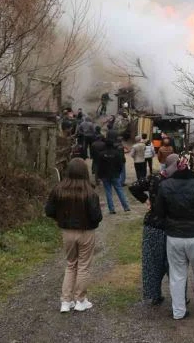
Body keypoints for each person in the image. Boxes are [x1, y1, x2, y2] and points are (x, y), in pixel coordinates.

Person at [154, 154, 194, 320]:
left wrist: (169, 221)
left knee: (177, 275)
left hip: (174, 237)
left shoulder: (165, 185)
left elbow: (159, 211)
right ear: (192, 166)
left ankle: (178, 311)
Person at [45, 158, 103, 313]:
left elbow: (49, 211)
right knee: (83, 266)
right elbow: (97, 216)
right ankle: (80, 300)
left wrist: (61, 220)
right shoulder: (90, 192)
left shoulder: (58, 190)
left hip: (67, 232)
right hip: (86, 232)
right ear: (85, 172)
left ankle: (66, 301)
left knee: (71, 264)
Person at [128, 157, 176, 306]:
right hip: (172, 226)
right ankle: (179, 296)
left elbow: (134, 186)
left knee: (152, 263)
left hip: (153, 225)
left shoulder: (155, 178)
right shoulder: (177, 181)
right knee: (175, 265)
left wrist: (145, 200)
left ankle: (154, 295)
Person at [94, 134, 130, 214]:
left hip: (105, 175)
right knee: (119, 190)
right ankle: (126, 207)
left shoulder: (101, 154)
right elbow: (120, 165)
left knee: (108, 192)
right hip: (115, 175)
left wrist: (99, 176)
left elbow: (99, 166)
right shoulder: (116, 154)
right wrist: (118, 173)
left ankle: (111, 209)